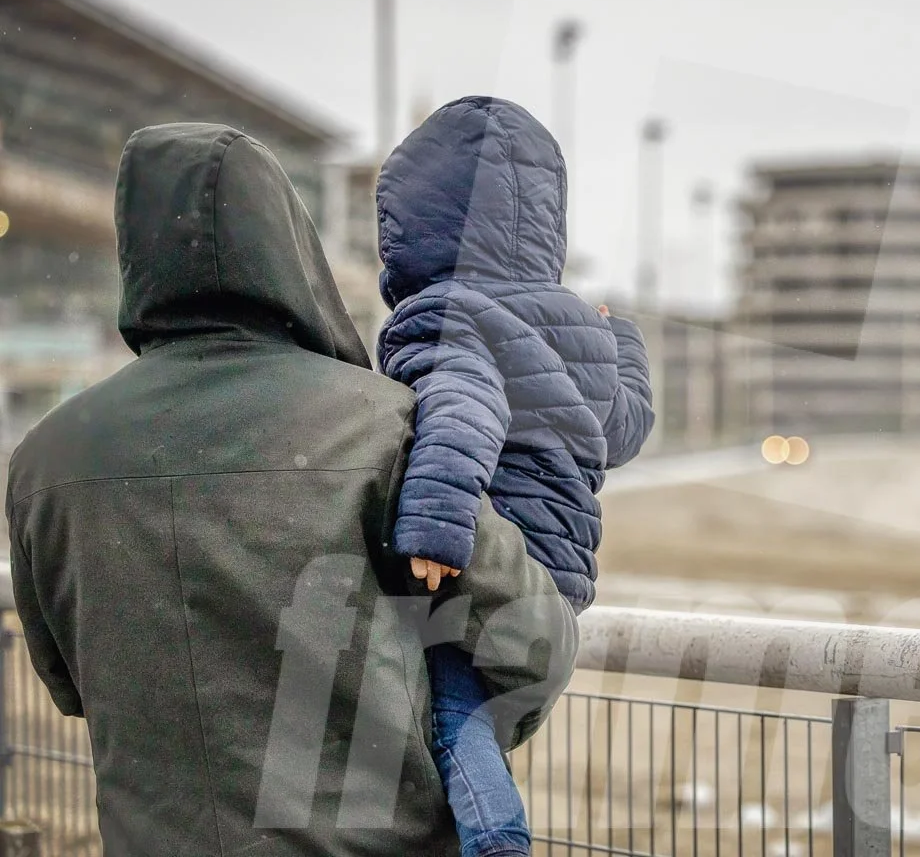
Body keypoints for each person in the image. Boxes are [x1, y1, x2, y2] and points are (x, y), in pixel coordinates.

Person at [5, 123, 576, 855]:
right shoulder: (385, 426)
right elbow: (536, 644)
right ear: (287, 247)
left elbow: (68, 684)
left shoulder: (44, 460)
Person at [374, 96, 654, 857]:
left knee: (451, 715)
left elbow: (462, 408)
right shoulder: (574, 330)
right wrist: (618, 339)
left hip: (480, 561)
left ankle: (499, 843)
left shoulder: (444, 313)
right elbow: (624, 432)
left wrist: (435, 528)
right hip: (560, 577)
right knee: (482, 714)